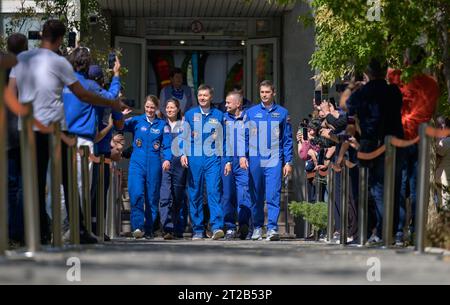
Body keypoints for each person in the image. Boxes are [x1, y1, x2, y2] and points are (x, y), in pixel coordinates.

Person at [8, 20, 125, 244]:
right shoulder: (60, 63)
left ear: (42, 34)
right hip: (55, 130)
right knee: (69, 182)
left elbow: (11, 92)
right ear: (61, 38)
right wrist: (111, 91)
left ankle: (31, 231)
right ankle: (74, 228)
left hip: (28, 128)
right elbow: (82, 94)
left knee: (34, 182)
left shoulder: (23, 59)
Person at [346, 59, 404, 245]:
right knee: (393, 188)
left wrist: (354, 134)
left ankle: (381, 231)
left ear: (367, 73)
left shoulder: (361, 93)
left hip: (370, 143)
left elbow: (349, 112)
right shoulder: (393, 91)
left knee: (377, 188)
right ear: (385, 72)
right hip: (394, 141)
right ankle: (394, 231)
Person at [387, 47, 440, 246]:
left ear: (407, 61)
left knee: (400, 184)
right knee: (417, 185)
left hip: (403, 135)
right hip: (422, 137)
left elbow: (389, 73)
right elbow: (432, 109)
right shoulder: (432, 84)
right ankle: (417, 231)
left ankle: (400, 231)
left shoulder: (399, 78)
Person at [240, 80, 293, 241]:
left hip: (274, 159)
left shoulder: (283, 113)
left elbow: (287, 139)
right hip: (255, 158)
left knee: (273, 194)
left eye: (267, 92)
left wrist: (288, 161)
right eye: (262, 92)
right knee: (256, 195)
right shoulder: (251, 112)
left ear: (273, 93)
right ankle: (257, 227)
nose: (264, 95)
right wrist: (242, 155)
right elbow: (244, 136)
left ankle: (272, 228)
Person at [181, 84, 229, 240]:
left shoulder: (219, 115)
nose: (202, 98)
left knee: (214, 191)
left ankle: (216, 227)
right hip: (194, 158)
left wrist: (227, 160)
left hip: (212, 158)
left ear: (211, 97)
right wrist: (183, 153)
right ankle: (198, 229)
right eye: (200, 95)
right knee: (194, 193)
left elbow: (224, 140)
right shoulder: (190, 114)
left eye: (205, 95)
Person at [122, 96, 172, 239]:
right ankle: (137, 227)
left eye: (152, 107)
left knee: (152, 197)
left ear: (156, 108)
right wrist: (120, 115)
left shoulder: (162, 125)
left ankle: (149, 229)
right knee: (136, 193)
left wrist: (167, 159)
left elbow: (167, 145)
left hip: (155, 164)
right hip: (137, 163)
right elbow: (118, 126)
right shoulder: (136, 121)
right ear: (144, 107)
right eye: (147, 107)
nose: (149, 110)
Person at [222, 90, 252, 240]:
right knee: (228, 195)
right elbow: (223, 141)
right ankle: (230, 228)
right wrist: (227, 160)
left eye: (228, 102)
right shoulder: (224, 119)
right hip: (228, 161)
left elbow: (251, 139)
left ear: (238, 103)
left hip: (243, 161)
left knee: (244, 194)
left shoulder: (248, 119)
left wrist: (243, 155)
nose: (226, 105)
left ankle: (244, 225)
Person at [159, 98, 188, 240]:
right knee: (165, 196)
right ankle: (167, 228)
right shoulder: (161, 124)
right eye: (167, 107)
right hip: (166, 164)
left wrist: (184, 154)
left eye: (172, 107)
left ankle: (177, 228)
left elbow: (186, 142)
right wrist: (165, 159)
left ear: (178, 109)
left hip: (180, 165)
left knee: (178, 197)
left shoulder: (183, 124)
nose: (169, 110)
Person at [4, 34, 24, 246]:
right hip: (20, 130)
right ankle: (17, 232)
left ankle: (12, 231)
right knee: (20, 184)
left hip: (8, 131)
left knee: (12, 184)